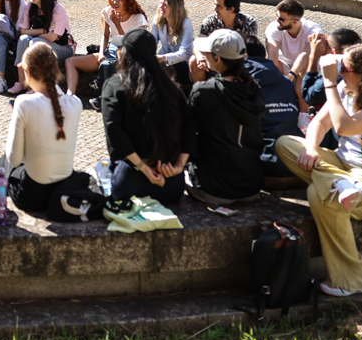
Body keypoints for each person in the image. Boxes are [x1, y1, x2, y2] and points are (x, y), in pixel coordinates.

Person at [275, 43, 362, 297]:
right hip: (347, 169)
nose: (339, 72)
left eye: (344, 68)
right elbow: (319, 123)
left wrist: (328, 83)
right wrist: (312, 150)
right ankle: (340, 183)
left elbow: (342, 127)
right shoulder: (345, 89)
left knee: (319, 197)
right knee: (286, 144)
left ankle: (352, 281)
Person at [99, 28, 194, 207]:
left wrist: (144, 168)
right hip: (172, 184)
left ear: (125, 54)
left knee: (101, 169)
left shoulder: (114, 86)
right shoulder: (172, 88)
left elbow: (114, 132)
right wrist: (179, 166)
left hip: (130, 182)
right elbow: (189, 126)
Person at [5, 41, 85, 217]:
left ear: (30, 72)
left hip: (33, 196)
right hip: (63, 189)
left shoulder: (24, 103)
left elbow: (14, 159)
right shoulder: (76, 104)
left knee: (2, 163)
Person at [185, 30, 266, 205]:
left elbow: (187, 131)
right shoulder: (255, 90)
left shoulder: (204, 90)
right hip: (251, 186)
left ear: (218, 59)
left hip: (214, 188)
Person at [67, 0, 147, 103]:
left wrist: (118, 24)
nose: (115, 2)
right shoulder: (108, 11)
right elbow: (105, 35)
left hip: (129, 55)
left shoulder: (138, 18)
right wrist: (101, 53)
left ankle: (102, 98)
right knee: (70, 61)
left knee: (111, 62)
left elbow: (133, 45)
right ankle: (70, 97)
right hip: (112, 49)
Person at [245, 38, 304, 183]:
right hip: (298, 165)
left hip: (264, 168)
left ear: (243, 55)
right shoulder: (285, 82)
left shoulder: (241, 83)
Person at [7, 0, 73, 96]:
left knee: (35, 43)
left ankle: (37, 86)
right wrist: (43, 30)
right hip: (44, 41)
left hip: (63, 48)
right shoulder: (30, 7)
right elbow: (22, 32)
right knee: (23, 40)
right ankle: (20, 82)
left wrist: (38, 34)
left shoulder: (57, 10)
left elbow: (52, 38)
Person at [263, 0, 322, 76]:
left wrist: (292, 75)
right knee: (273, 66)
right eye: (277, 16)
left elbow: (306, 54)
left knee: (303, 69)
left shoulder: (312, 30)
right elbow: (272, 55)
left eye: (281, 19)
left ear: (295, 22)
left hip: (304, 66)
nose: (277, 20)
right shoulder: (274, 27)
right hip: (283, 64)